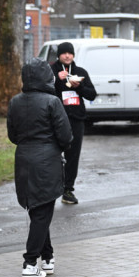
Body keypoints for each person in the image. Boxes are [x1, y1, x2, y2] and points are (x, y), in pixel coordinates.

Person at [9, 59, 73, 277]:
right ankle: (30, 262)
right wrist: (57, 147)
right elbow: (66, 136)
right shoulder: (52, 102)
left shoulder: (15, 102)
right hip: (46, 163)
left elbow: (12, 135)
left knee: (38, 210)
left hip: (24, 160)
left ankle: (47, 257)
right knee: (42, 213)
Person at [51, 42, 97, 205]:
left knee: (73, 156)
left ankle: (68, 190)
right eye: (64, 53)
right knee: (53, 155)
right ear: (59, 55)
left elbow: (92, 95)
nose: (67, 56)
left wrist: (79, 86)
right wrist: (57, 79)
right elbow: (44, 90)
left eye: (70, 53)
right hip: (55, 121)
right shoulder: (51, 71)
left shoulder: (80, 72)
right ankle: (52, 188)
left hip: (76, 119)